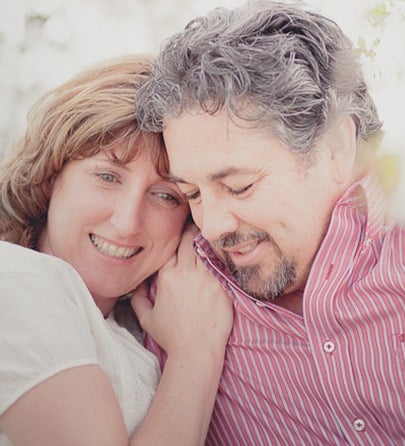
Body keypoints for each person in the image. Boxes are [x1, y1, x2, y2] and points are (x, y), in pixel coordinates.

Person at [136, 0, 405, 446]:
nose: (211, 226)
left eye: (239, 186)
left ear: (334, 148)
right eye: (191, 193)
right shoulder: (178, 297)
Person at [0, 55, 232, 446]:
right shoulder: (18, 282)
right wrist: (196, 352)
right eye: (107, 177)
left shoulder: (139, 324)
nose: (127, 222)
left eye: (165, 196)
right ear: (49, 178)